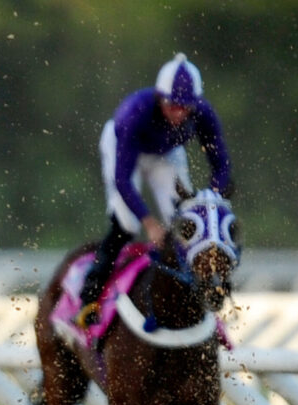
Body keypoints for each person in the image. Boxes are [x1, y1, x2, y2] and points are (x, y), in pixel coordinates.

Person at [76, 53, 233, 327]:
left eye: (186, 107)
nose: (179, 113)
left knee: (184, 220)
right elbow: (123, 180)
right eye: (173, 105)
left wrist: (212, 195)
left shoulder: (204, 114)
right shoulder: (134, 113)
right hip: (125, 151)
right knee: (125, 223)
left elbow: (221, 164)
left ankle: (199, 293)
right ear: (160, 98)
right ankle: (90, 296)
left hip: (166, 153)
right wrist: (149, 224)